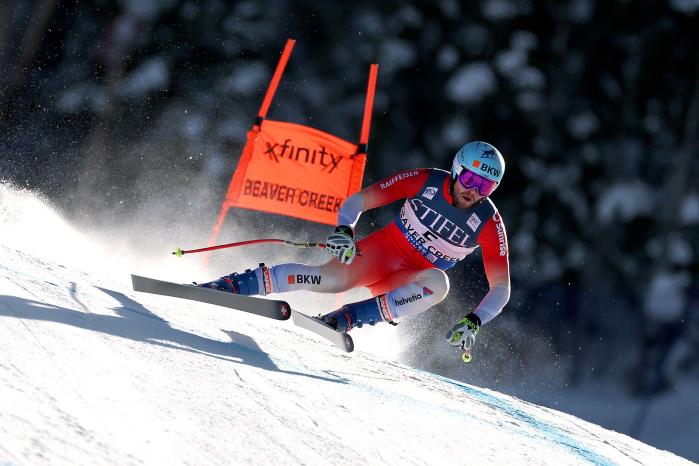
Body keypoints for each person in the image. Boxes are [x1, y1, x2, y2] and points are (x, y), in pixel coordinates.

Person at [199, 141, 510, 356]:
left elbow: (501, 287)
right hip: (378, 255)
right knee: (326, 280)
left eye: (485, 186)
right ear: (457, 171)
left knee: (438, 284)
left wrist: (475, 320)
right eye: (470, 178)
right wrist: (345, 231)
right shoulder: (425, 181)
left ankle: (344, 319)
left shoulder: (488, 221)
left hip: (407, 279)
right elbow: (358, 201)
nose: (473, 190)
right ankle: (232, 285)